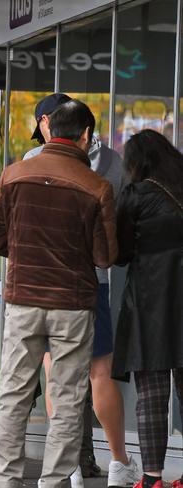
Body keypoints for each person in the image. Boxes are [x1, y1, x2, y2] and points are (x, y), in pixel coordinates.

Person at [0, 100, 117, 488]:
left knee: (14, 394)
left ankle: (6, 479)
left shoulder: (13, 174)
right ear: (85, 136)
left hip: (23, 298)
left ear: (47, 128)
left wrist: (26, 252)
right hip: (73, 304)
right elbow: (105, 255)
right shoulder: (96, 186)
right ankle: (54, 481)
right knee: (69, 398)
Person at [25, 93, 139, 488]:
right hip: (92, 283)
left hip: (41, 286)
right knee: (99, 372)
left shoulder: (28, 164)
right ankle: (118, 463)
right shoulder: (109, 165)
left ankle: (68, 464)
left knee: (58, 374)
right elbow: (118, 234)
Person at [112, 129, 183, 488]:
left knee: (152, 395)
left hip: (149, 302)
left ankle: (153, 478)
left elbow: (120, 253)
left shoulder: (135, 195)